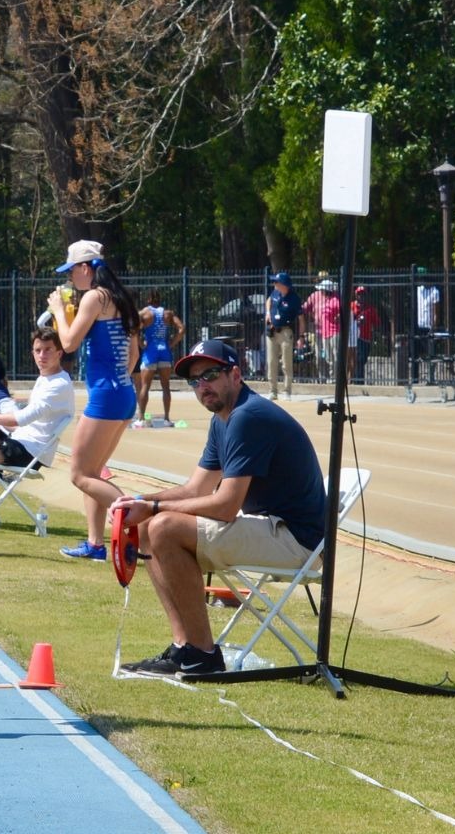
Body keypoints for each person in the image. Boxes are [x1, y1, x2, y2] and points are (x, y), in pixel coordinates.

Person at [111, 339, 327, 677]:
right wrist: (141, 502)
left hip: (298, 542)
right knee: (146, 526)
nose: (202, 386)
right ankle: (185, 647)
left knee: (164, 527)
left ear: (236, 374)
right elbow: (195, 489)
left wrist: (154, 508)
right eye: (194, 381)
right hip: (271, 527)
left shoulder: (247, 416)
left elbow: (226, 506)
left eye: (210, 375)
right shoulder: (223, 418)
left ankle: (202, 654)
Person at [47, 240, 141, 561]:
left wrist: (59, 311)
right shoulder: (119, 297)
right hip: (123, 393)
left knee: (78, 475)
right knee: (94, 471)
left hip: (107, 396)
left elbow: (69, 343)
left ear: (86, 268)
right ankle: (96, 544)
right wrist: (119, 383)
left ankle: (136, 523)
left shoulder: (94, 297)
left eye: (72, 270)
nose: (70, 277)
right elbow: (134, 354)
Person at [0, 327, 77, 476]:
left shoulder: (58, 384)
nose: (42, 355)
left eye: (48, 350)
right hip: (20, 442)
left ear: (59, 353)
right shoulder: (46, 378)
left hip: (28, 451)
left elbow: (21, 418)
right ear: (32, 353)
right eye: (37, 351)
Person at [133, 291, 182, 427]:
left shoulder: (145, 313)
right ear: (159, 299)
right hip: (164, 351)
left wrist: (140, 344)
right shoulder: (168, 314)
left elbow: (134, 328)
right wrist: (172, 343)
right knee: (166, 386)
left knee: (145, 386)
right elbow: (181, 329)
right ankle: (167, 419)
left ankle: (141, 419)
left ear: (148, 299)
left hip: (151, 352)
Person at [263, 272, 300, 401]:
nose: (274, 284)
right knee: (271, 362)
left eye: (276, 282)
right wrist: (268, 313)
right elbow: (269, 300)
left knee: (286, 363)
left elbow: (301, 318)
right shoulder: (275, 293)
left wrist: (302, 336)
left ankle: (287, 391)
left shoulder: (294, 298)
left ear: (284, 284)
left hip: (286, 331)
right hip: (272, 331)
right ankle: (273, 391)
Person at [349, 286, 381, 384]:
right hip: (354, 338)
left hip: (366, 338)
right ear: (356, 295)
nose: (361, 296)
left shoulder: (371, 309)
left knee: (362, 360)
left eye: (363, 294)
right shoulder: (351, 306)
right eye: (359, 294)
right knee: (357, 360)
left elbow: (377, 324)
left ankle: (358, 380)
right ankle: (357, 381)